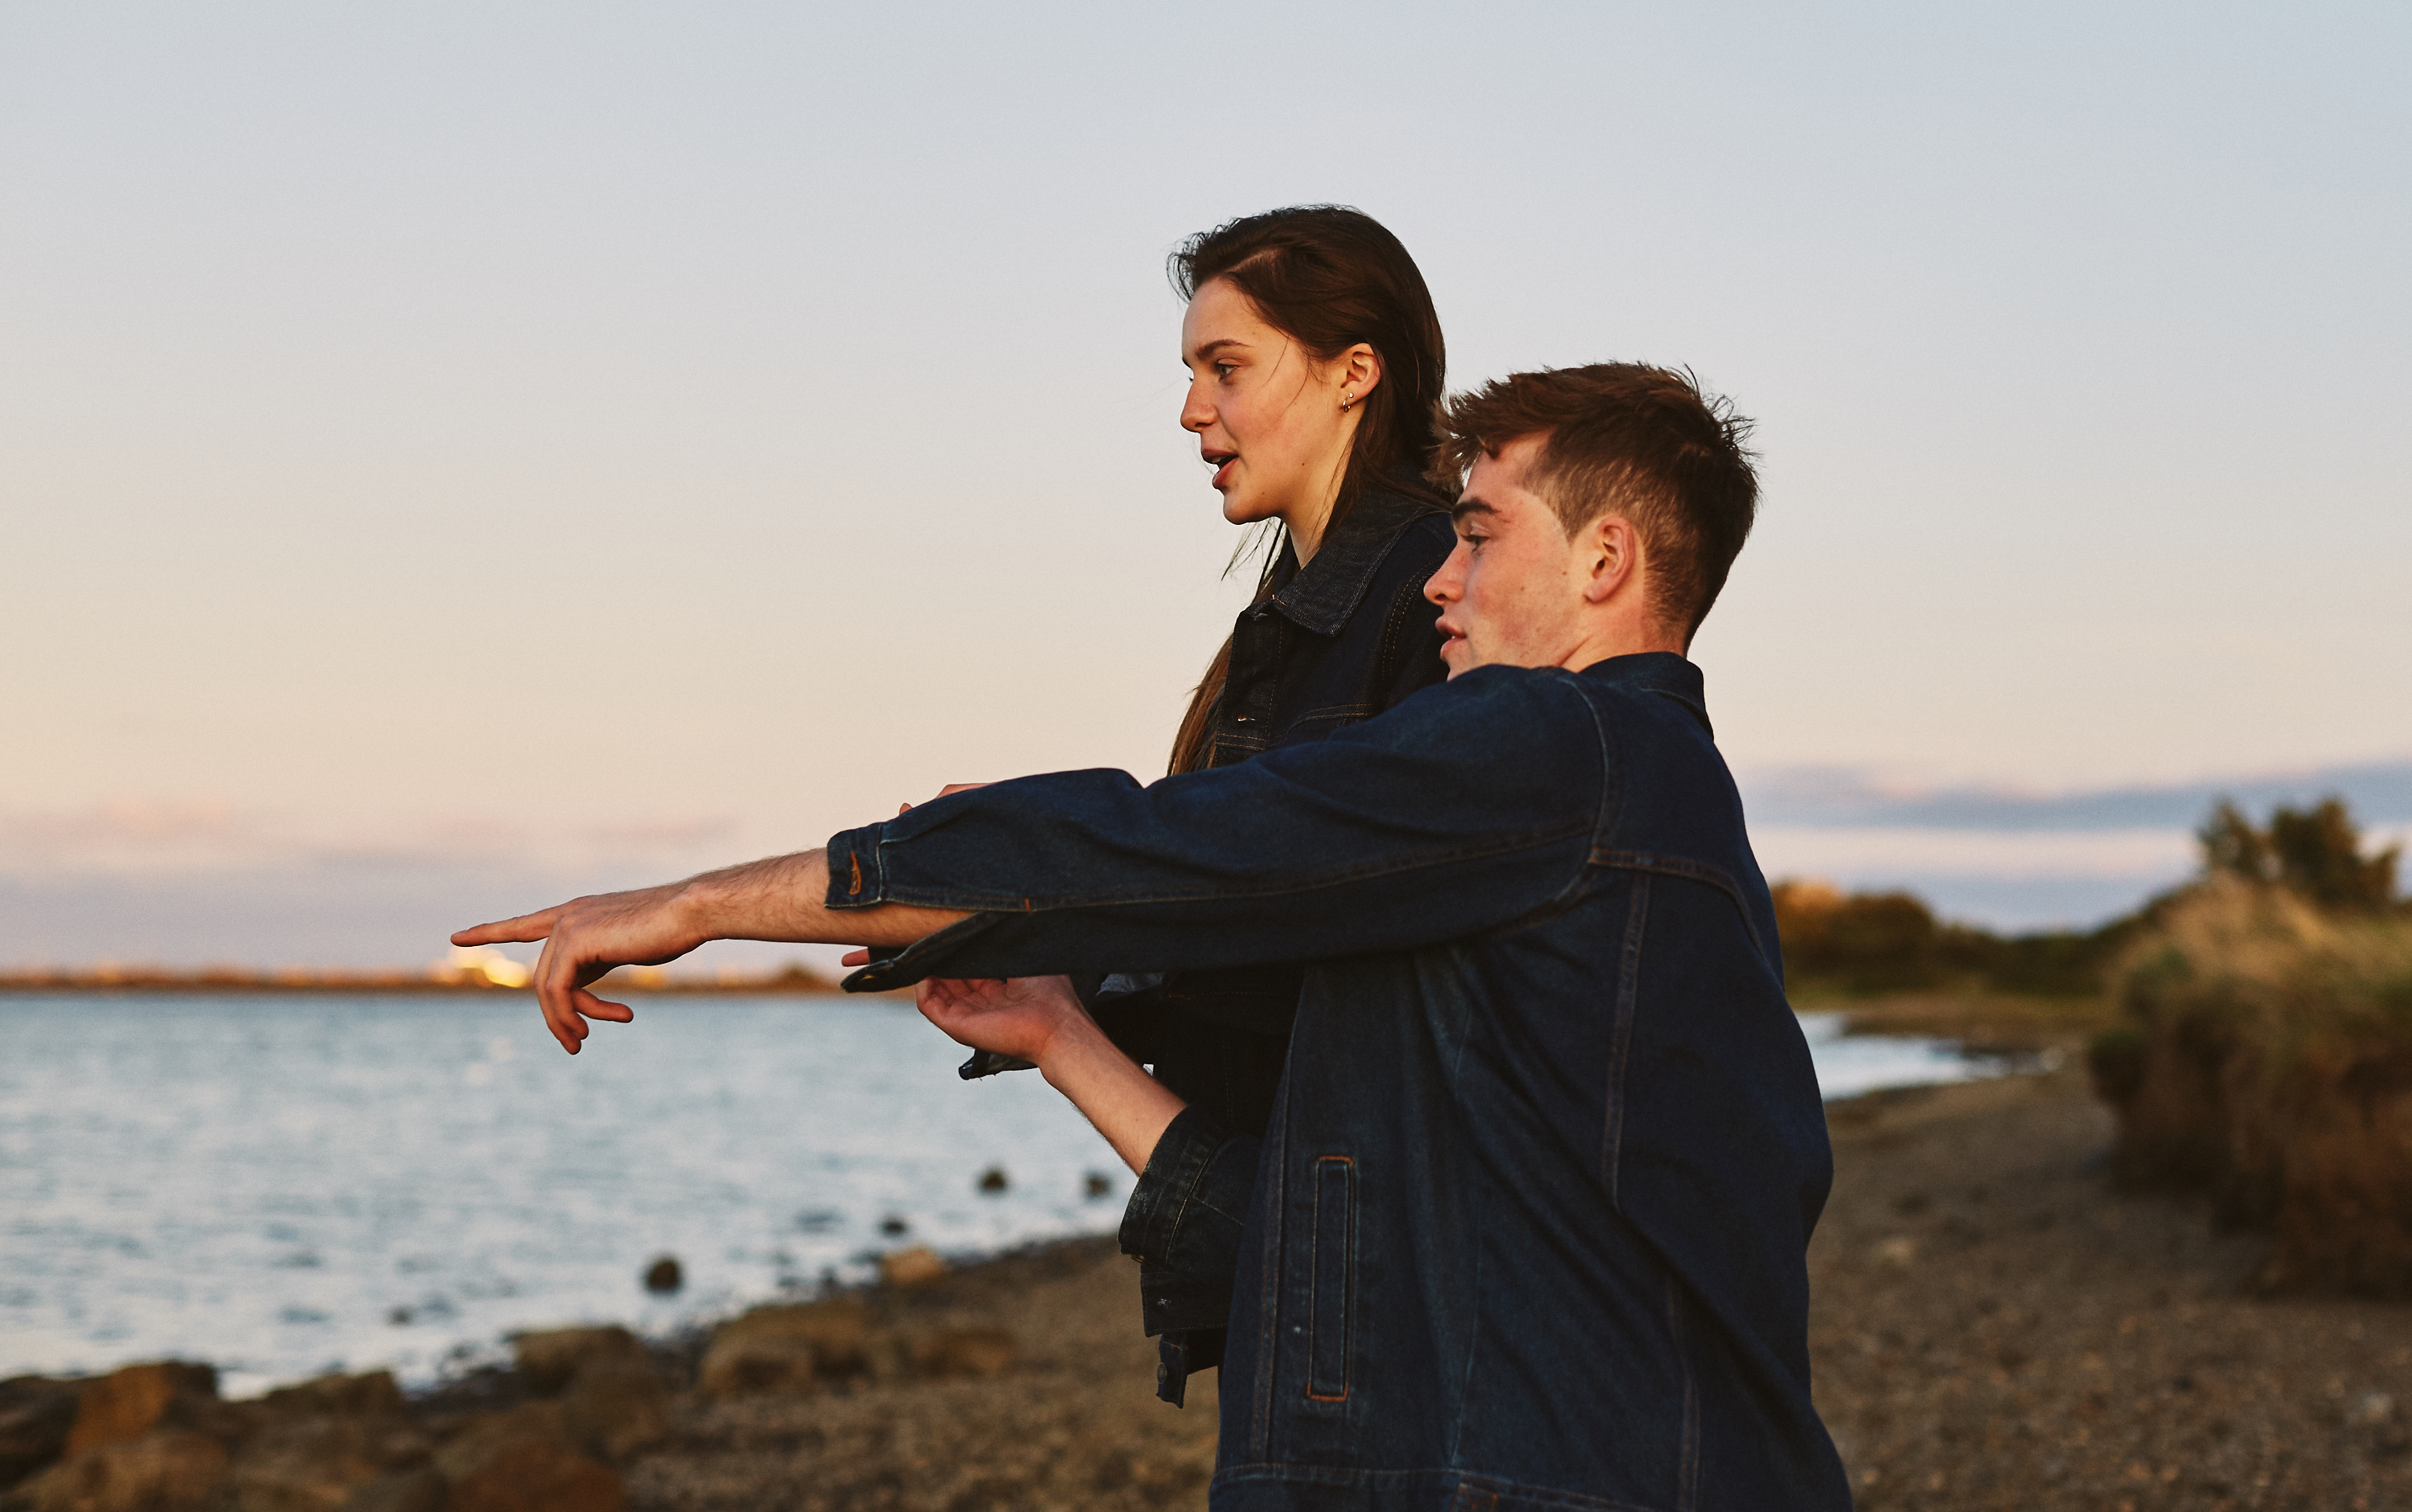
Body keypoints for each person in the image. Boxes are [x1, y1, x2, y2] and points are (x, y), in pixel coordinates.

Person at [457, 362, 1853, 1510]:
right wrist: (1063, 1038)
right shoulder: (1602, 837)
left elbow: (1148, 842)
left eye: (1481, 535)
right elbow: (1323, 1251)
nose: (1440, 579)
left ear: (1607, 557)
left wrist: (695, 907)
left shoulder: (1565, 743)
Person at [963, 205, 1462, 1397]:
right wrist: (1048, 952)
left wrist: (1049, 872)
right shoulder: (1296, 619)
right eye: (1191, 373)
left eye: (1225, 368)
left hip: (1371, 1270)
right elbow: (1246, 924)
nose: (1194, 411)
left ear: (1354, 373)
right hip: (1297, 1250)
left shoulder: (1427, 597)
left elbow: (1338, 928)